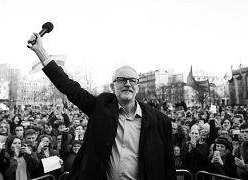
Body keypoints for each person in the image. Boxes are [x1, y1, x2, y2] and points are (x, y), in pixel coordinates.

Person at [28, 32, 176, 180]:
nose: (128, 84)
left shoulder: (160, 121)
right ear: (113, 87)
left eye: (132, 80)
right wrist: (40, 51)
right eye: (122, 80)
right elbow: (68, 87)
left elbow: (168, 166)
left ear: (137, 86)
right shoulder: (101, 108)